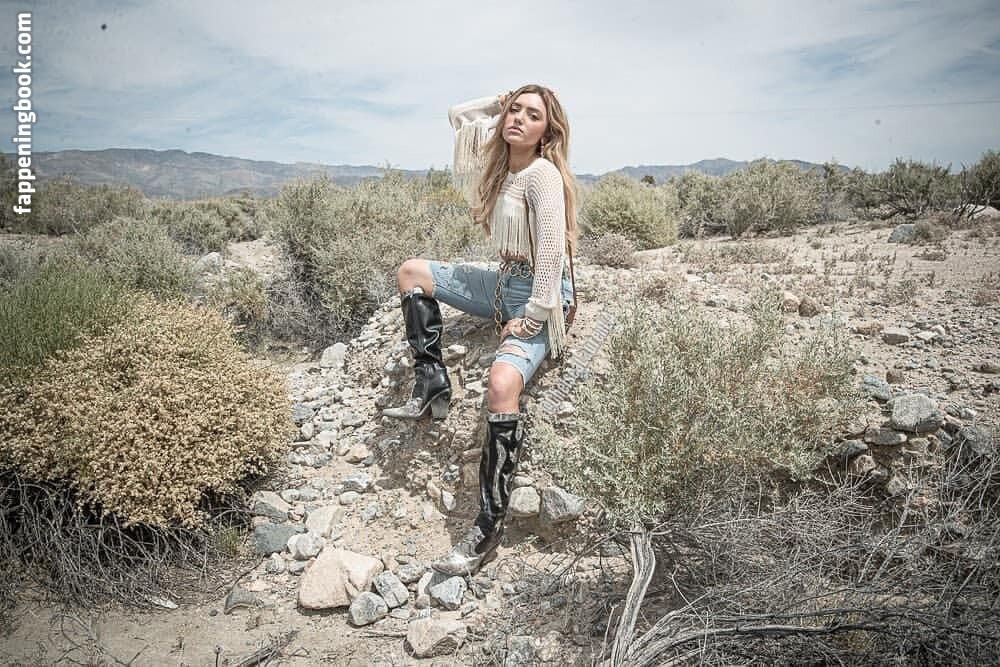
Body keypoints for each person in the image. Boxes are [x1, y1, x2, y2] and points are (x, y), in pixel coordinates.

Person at [383, 84, 578, 575]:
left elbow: (552, 252)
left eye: (532, 115)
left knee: (501, 384)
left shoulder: (542, 175)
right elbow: (457, 118)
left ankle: (487, 525)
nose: (518, 119)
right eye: (514, 110)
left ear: (546, 131)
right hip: (503, 281)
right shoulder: (500, 167)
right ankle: (431, 384)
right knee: (412, 273)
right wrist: (496, 103)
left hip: (543, 293)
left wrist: (533, 315)